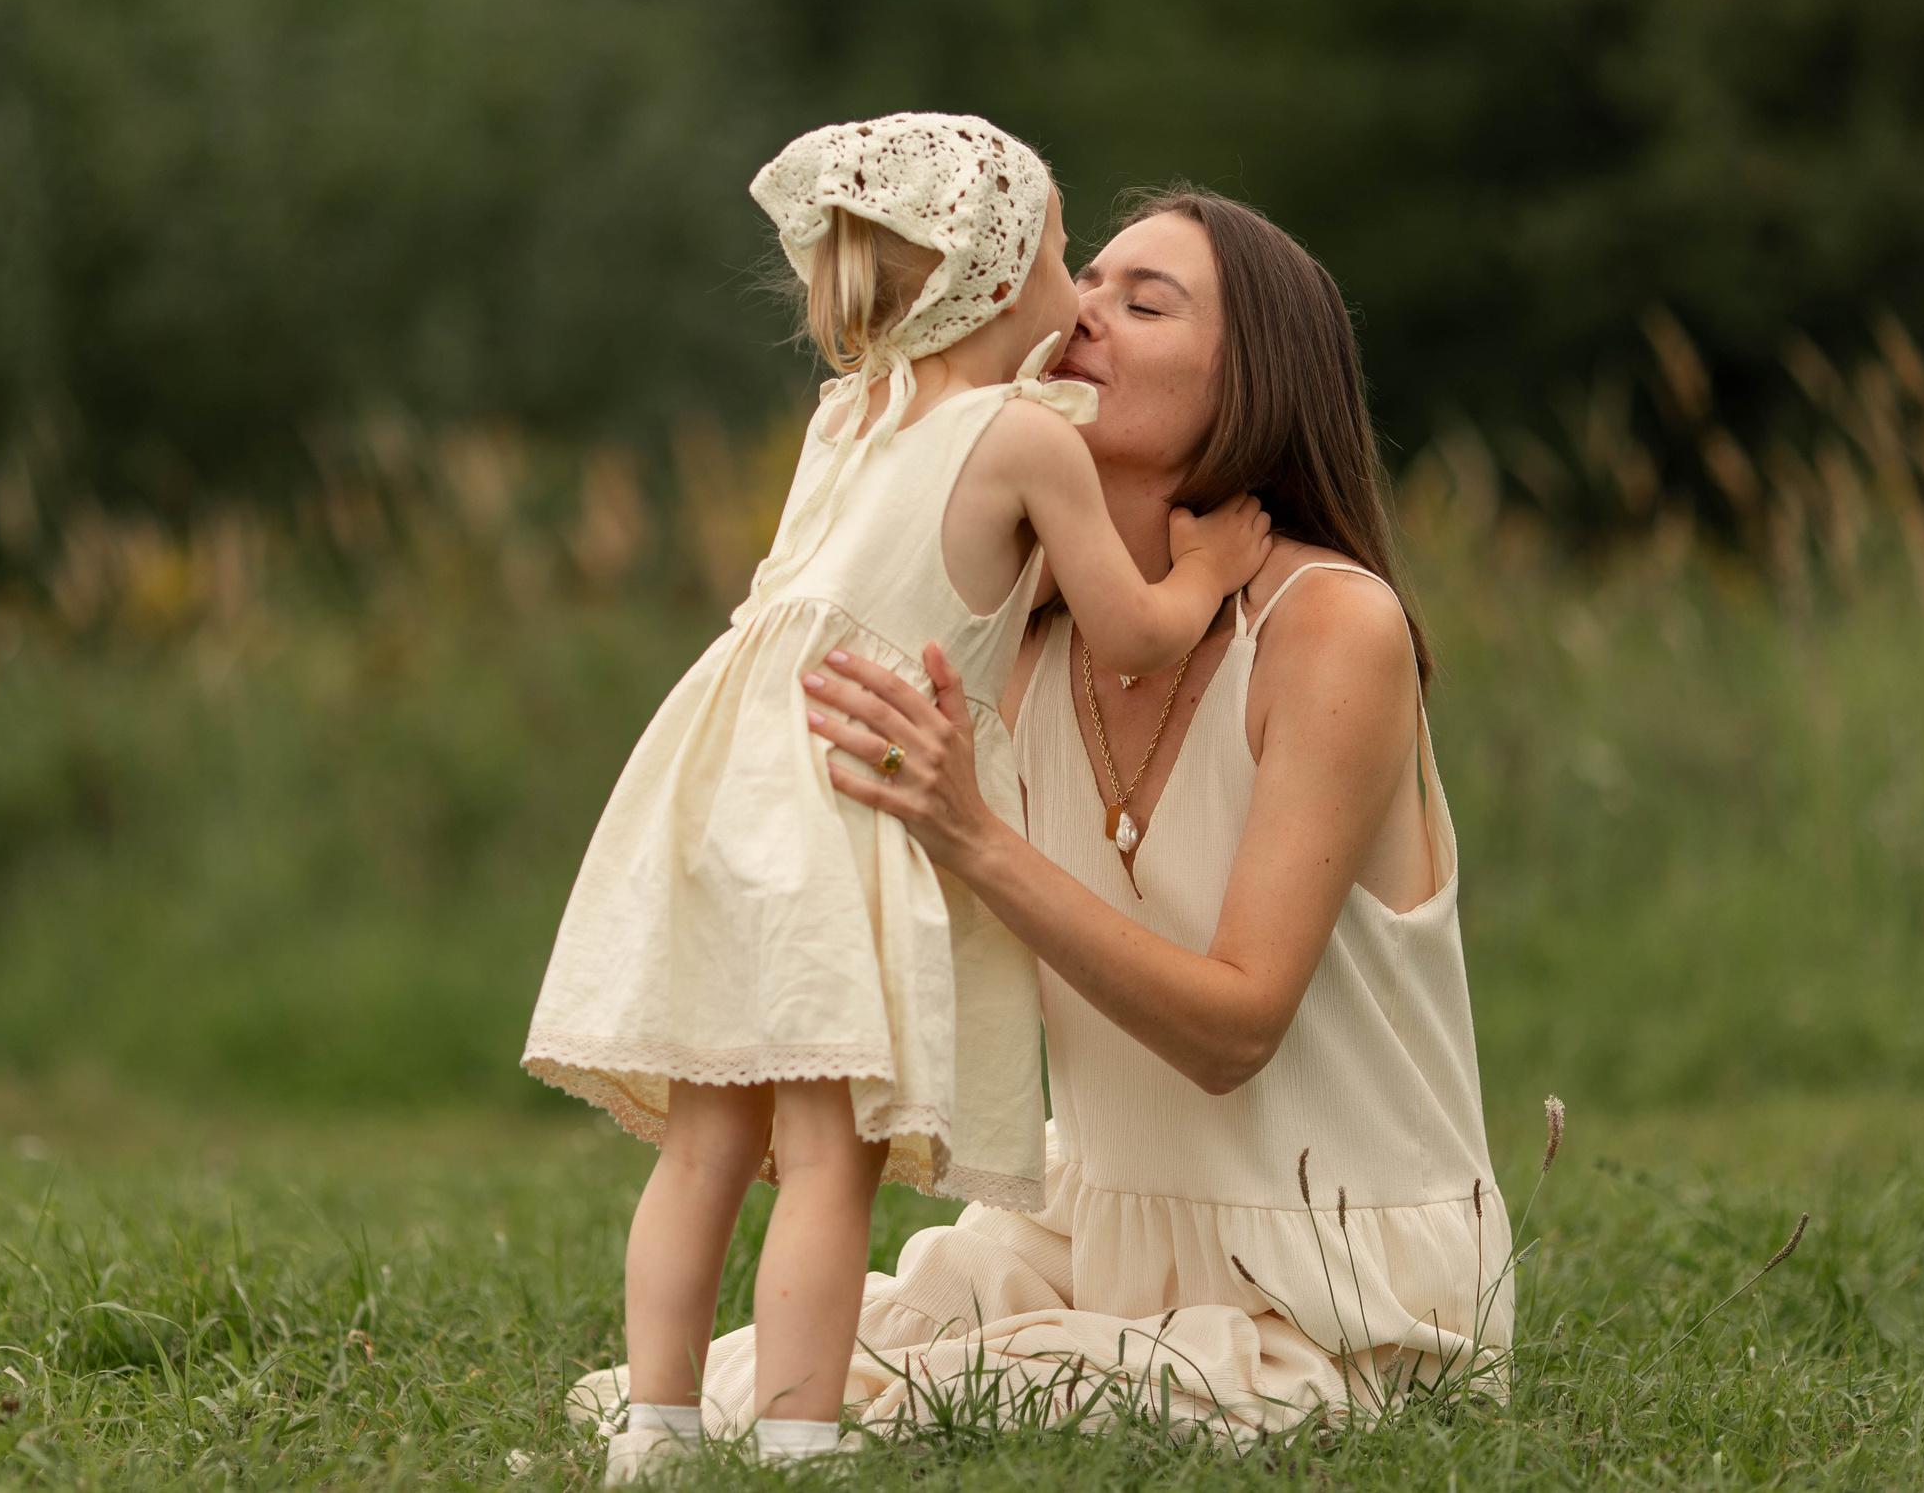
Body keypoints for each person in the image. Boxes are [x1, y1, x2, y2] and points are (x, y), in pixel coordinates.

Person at [569, 186, 1511, 1445]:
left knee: (890, 1415)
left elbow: (1235, 1030)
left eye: (1145, 299)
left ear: (1256, 378)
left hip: (1333, 1281)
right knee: (751, 1393)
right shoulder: (1004, 645)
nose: (1082, 313)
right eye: (1087, 279)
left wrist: (974, 841)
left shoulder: (1328, 627)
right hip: (1091, 1242)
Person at [522, 119, 1273, 1478]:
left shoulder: (851, 410)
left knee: (704, 1140)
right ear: (993, 281)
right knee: (826, 1152)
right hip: (846, 801)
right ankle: (804, 1437)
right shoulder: (1025, 439)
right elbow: (1132, 634)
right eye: (1060, 255)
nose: (1080, 289)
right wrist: (1210, 568)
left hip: (720, 791)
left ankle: (656, 1428)